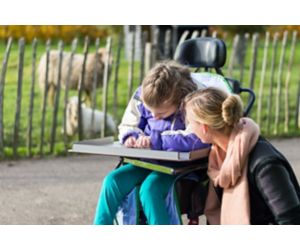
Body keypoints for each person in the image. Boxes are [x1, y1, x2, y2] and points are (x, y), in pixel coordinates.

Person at [93, 61, 219, 225]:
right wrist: (132, 136)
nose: (154, 116)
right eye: (150, 110)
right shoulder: (145, 94)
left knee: (151, 189)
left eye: (161, 113)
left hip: (181, 166)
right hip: (147, 161)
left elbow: (198, 137)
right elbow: (129, 123)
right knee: (113, 181)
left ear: (179, 99)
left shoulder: (194, 101)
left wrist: (156, 140)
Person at [184, 87, 300, 224]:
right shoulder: (218, 158)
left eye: (190, 123)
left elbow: (291, 222)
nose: (188, 129)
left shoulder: (265, 166)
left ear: (204, 128)